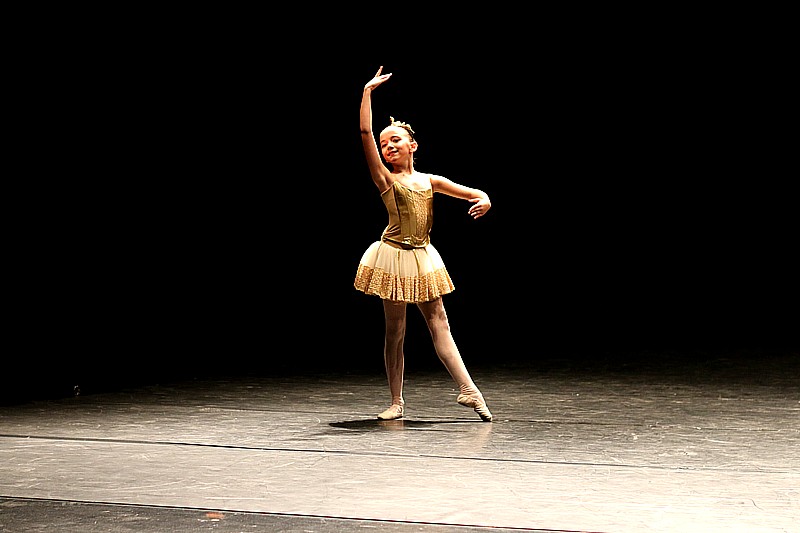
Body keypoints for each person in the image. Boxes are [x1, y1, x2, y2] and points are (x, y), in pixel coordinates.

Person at [353, 66, 493, 422]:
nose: (388, 146)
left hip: (422, 256)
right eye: (384, 144)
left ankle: (469, 390)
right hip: (393, 255)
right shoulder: (385, 179)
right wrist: (367, 93)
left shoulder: (430, 181)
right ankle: (396, 401)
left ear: (412, 145)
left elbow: (473, 192)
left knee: (439, 322)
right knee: (396, 330)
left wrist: (485, 199)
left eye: (395, 140)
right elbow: (365, 132)